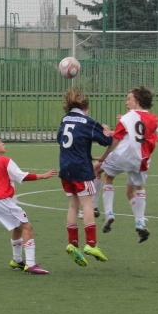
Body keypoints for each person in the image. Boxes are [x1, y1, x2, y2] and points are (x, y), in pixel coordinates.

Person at [0, 136, 57, 274]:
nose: (3, 143)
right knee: (26, 226)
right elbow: (21, 176)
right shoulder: (4, 160)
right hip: (0, 200)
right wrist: (43, 175)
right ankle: (30, 264)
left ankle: (17, 260)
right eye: (0, 142)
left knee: (17, 227)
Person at [96, 86, 158, 243]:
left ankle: (107, 212)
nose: (126, 102)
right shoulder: (154, 119)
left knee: (105, 175)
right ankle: (139, 222)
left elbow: (116, 141)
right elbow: (151, 138)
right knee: (137, 189)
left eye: (129, 99)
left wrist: (104, 157)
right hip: (140, 159)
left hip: (122, 156)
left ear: (136, 101)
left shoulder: (127, 118)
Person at [57, 87, 112, 266]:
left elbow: (61, 139)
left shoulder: (65, 120)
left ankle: (73, 243)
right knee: (87, 204)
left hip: (65, 169)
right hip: (81, 170)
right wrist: (107, 130)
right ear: (85, 107)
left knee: (73, 206)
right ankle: (91, 244)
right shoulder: (87, 121)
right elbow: (107, 141)